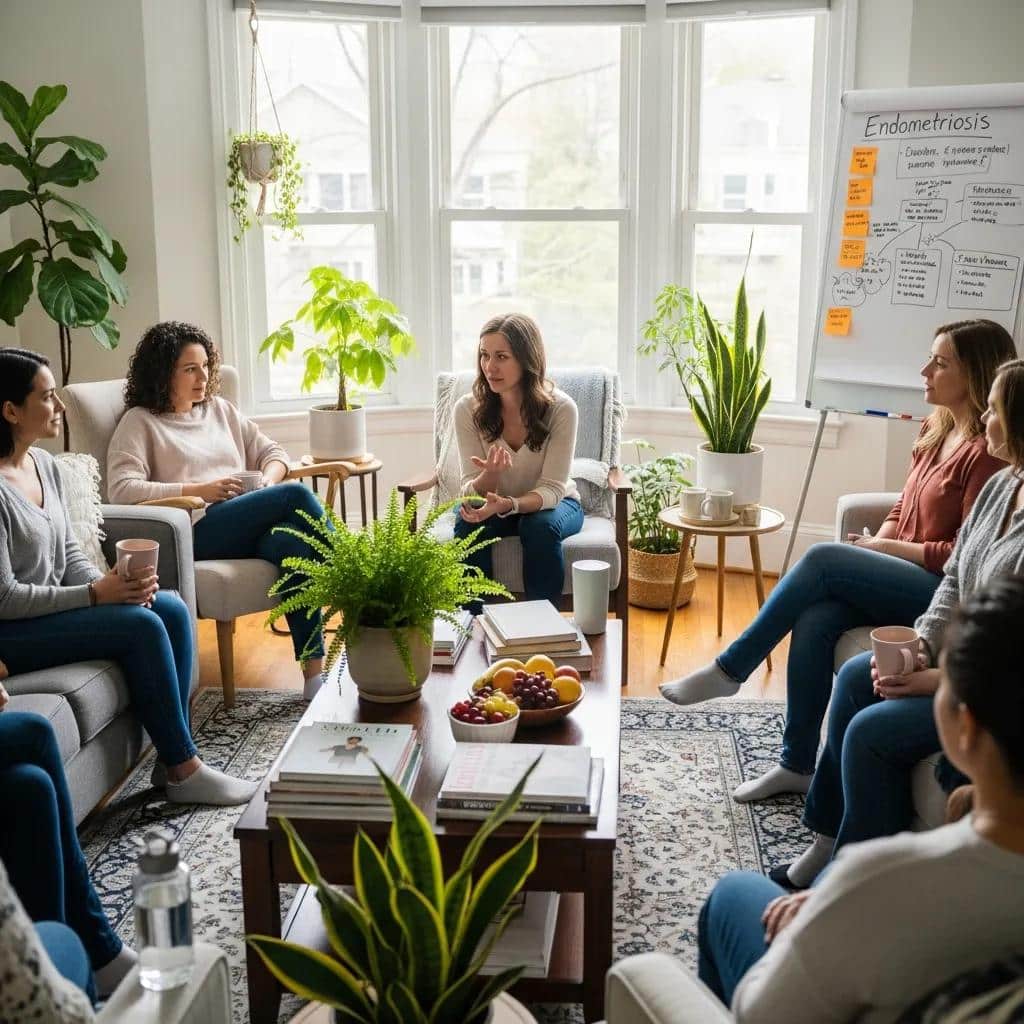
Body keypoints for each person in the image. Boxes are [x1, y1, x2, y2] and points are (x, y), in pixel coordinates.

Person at [661, 320, 1015, 807]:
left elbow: (963, 554)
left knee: (823, 559)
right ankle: (796, 763)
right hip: (901, 571)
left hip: (935, 586)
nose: (925, 370)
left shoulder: (988, 456)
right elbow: (900, 508)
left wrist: (883, 552)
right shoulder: (939, 431)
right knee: (817, 617)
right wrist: (878, 542)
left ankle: (729, 670)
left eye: (941, 362)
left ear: (974, 374)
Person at [696, 574, 1024, 1023]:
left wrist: (822, 916)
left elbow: (762, 1013)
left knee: (730, 895)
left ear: (965, 727)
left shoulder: (881, 877)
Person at [775, 356, 1024, 889]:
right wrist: (924, 646)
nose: (985, 422)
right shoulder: (1003, 485)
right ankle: (826, 836)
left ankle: (851, 883)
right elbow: (955, 580)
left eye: (997, 411)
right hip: (957, 661)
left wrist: (939, 678)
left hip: (995, 695)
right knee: (852, 675)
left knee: (869, 732)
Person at [0, 347, 257, 806]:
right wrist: (96, 595)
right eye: (47, 397)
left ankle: (171, 762)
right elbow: (6, 599)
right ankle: (185, 769)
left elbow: (69, 553)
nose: (58, 406)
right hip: (12, 632)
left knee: (171, 607)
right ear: (10, 410)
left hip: (56, 608)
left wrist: (118, 581)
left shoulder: (45, 467)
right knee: (137, 626)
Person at [106, 322, 327, 701]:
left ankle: (312, 679)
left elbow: (274, 453)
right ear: (162, 372)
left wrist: (267, 491)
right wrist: (200, 491)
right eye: (190, 368)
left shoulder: (220, 410)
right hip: (196, 528)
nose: (203, 376)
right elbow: (122, 490)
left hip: (246, 520)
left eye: (206, 365)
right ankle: (362, 587)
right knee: (296, 496)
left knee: (295, 545)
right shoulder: (140, 421)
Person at [453, 313, 583, 608]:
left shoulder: (562, 409)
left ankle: (542, 627)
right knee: (466, 524)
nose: (490, 366)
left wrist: (510, 504)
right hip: (495, 505)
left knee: (537, 527)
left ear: (526, 360)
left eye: (501, 356)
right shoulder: (466, 409)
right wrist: (490, 477)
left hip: (555, 503)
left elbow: (552, 489)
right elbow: (468, 494)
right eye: (484, 355)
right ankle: (471, 627)